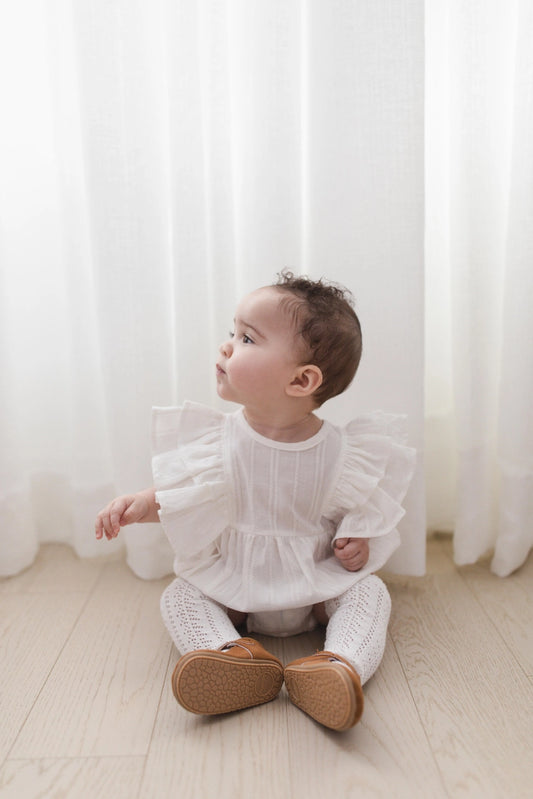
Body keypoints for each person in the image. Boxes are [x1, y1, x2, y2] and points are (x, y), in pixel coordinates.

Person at [95, 271, 416, 732]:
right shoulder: (217, 441)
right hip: (237, 585)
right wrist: (140, 505)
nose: (226, 346)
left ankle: (338, 664)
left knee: (370, 592)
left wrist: (356, 538)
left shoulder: (344, 451)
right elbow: (183, 496)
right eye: (232, 333)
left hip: (317, 581)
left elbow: (360, 508)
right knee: (182, 595)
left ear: (302, 380)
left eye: (247, 338)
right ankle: (232, 656)